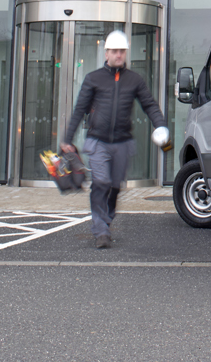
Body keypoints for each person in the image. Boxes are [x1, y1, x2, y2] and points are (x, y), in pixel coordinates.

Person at [61, 30, 165, 248]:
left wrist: (161, 125)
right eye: (114, 51)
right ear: (106, 53)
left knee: (115, 186)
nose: (119, 55)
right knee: (102, 182)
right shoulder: (93, 78)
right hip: (98, 141)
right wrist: (67, 139)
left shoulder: (134, 80)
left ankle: (106, 219)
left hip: (123, 143)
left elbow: (149, 105)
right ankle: (100, 229)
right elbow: (79, 109)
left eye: (122, 51)